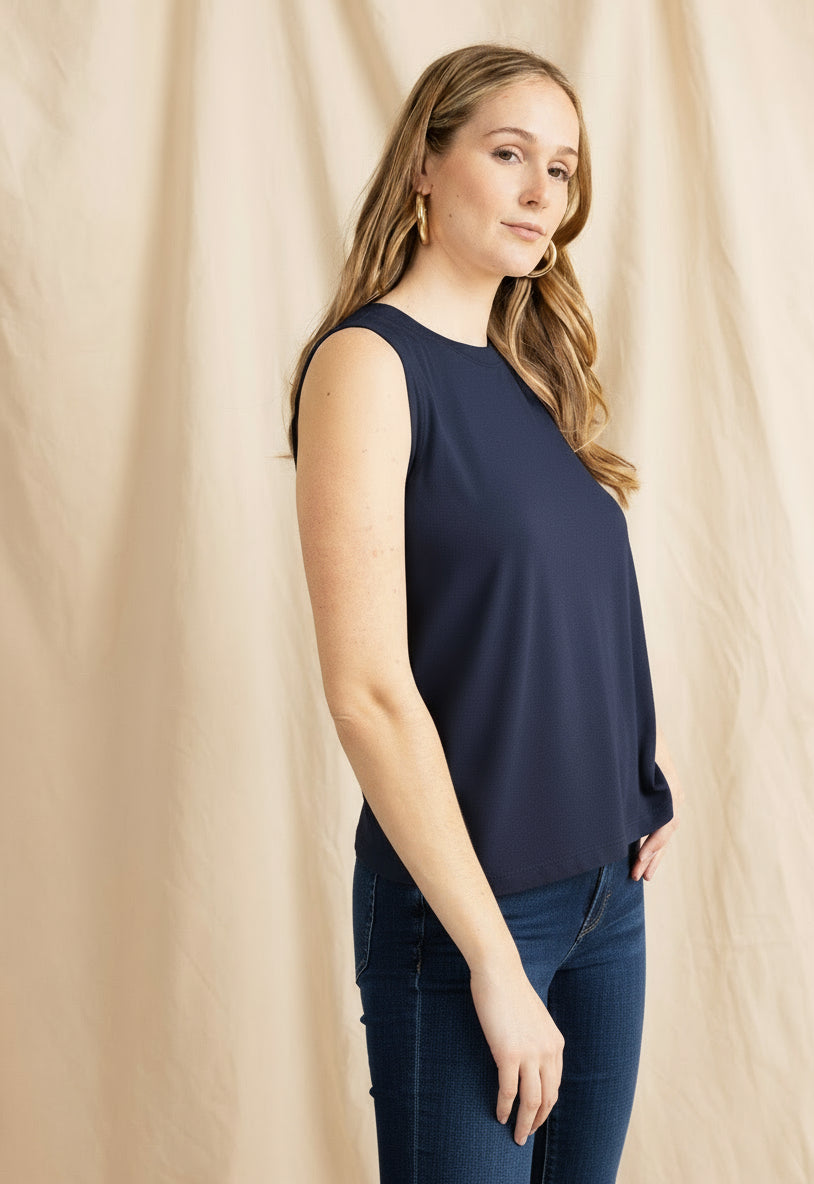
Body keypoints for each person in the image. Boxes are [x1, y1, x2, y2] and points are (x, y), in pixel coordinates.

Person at [286, 42, 685, 1184]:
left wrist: (635, 773)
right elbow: (367, 688)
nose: (537, 193)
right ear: (424, 160)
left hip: (608, 895)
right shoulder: (367, 364)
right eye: (508, 154)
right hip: (469, 913)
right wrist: (493, 962)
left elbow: (562, 610)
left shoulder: (531, 370)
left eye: (559, 170)